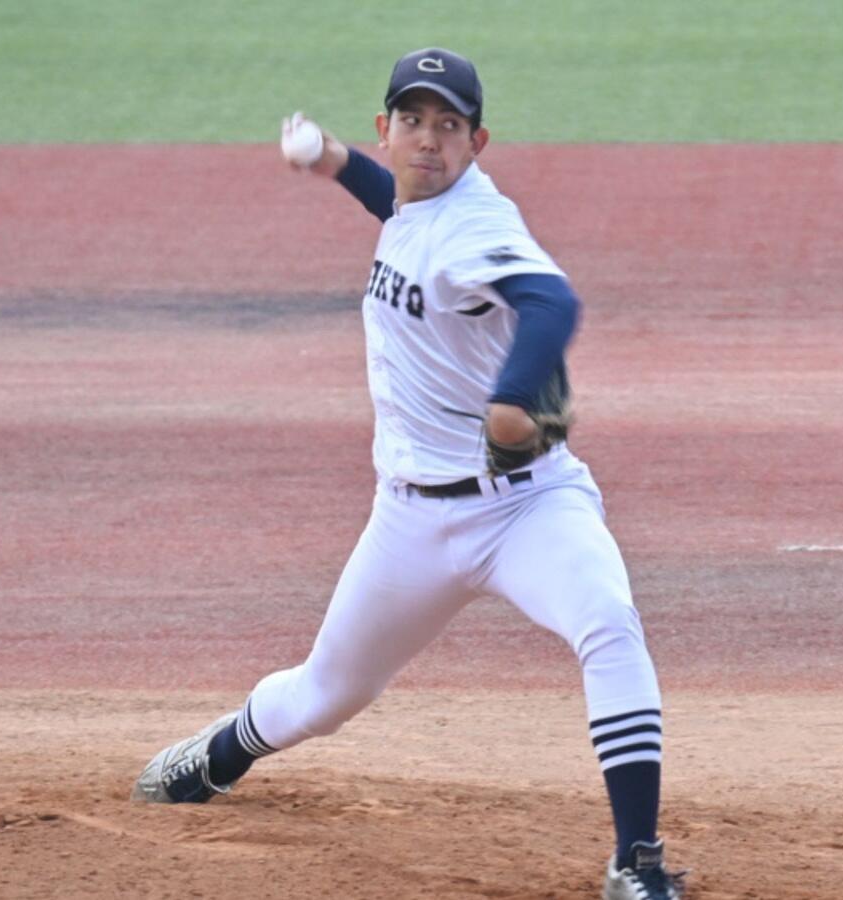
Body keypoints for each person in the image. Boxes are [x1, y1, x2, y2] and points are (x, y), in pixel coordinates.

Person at [133, 47, 685, 899]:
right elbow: (393, 201)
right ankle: (220, 753)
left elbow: (552, 302)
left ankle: (636, 860)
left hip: (527, 509)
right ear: (386, 129)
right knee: (325, 697)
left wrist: (511, 398)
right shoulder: (416, 200)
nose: (429, 139)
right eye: (413, 121)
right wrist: (332, 160)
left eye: (449, 125)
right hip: (411, 523)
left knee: (608, 622)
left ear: (477, 142)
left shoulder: (478, 225)